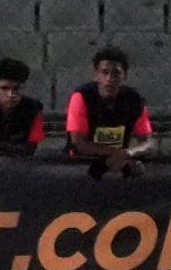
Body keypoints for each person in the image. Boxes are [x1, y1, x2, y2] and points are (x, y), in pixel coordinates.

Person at [65, 46, 155, 179]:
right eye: (104, 72)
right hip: (83, 162)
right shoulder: (81, 96)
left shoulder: (134, 99)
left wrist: (129, 153)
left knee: (139, 170)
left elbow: (148, 143)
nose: (110, 78)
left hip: (119, 160)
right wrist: (117, 153)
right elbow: (79, 144)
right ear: (95, 75)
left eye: (116, 73)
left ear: (125, 76)